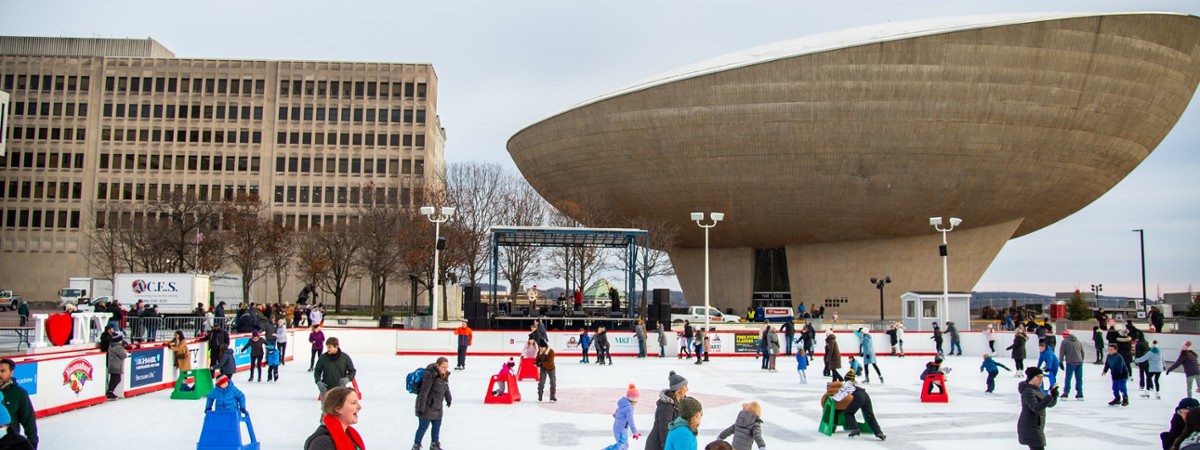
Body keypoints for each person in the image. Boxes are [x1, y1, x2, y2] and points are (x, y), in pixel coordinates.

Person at [831, 370, 886, 440]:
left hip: (858, 396)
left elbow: (841, 393)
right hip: (866, 396)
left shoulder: (848, 383)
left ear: (846, 378)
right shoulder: (856, 383)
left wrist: (834, 398)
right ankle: (879, 432)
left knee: (848, 413)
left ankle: (855, 429)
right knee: (870, 416)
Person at [304, 386, 365, 450]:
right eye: (353, 403)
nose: (359, 407)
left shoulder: (350, 435)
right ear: (337, 408)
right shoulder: (322, 443)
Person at [413, 356, 452, 450]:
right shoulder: (430, 375)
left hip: (437, 406)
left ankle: (434, 444)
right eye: (443, 367)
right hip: (427, 406)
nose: (445, 369)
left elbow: (446, 387)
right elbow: (423, 392)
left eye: (447, 367)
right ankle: (416, 445)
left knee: (436, 426)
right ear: (437, 365)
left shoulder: (445, 375)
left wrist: (448, 398)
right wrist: (421, 408)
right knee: (423, 427)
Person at [1018, 367, 1059, 450]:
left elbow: (1049, 404)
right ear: (1031, 377)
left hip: (1036, 426)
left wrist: (1053, 396)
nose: (1041, 379)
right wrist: (1049, 397)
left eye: (1042, 377)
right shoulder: (1028, 391)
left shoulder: (1037, 389)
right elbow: (1036, 408)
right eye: (1038, 377)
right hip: (1030, 427)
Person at [646, 371, 688, 450]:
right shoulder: (666, 408)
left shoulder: (679, 401)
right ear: (678, 390)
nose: (687, 389)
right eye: (685, 386)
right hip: (657, 446)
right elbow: (665, 430)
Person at [0, 359, 36, 448]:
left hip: (10, 444)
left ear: (11, 373)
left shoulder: (19, 394)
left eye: (2, 371)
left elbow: (28, 421)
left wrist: (33, 443)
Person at [604, 384, 640, 450]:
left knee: (624, 445)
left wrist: (615, 415)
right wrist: (635, 431)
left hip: (619, 427)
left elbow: (618, 410)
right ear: (633, 400)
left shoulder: (624, 404)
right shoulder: (629, 408)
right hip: (621, 429)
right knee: (622, 445)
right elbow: (631, 421)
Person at [1059, 331, 1085, 400]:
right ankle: (1080, 393)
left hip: (1070, 362)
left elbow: (1062, 352)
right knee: (1079, 378)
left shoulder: (1064, 342)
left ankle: (1066, 393)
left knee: (1068, 378)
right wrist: (1081, 360)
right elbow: (1082, 352)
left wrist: (1060, 362)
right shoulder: (1078, 341)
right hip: (1079, 362)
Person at [106, 329, 128, 400]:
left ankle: (110, 391)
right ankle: (110, 391)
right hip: (116, 366)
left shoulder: (112, 346)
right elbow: (123, 355)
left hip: (113, 365)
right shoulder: (118, 347)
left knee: (114, 379)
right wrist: (125, 352)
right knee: (116, 379)